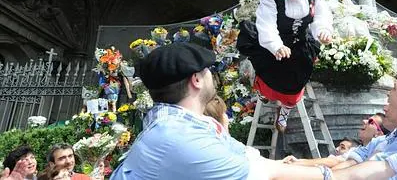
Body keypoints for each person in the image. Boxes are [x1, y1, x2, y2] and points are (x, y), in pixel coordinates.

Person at [110, 42, 335, 180]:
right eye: (207, 69)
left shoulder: (185, 126)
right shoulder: (177, 136)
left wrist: (332, 163)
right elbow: (264, 174)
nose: (211, 75)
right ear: (196, 80)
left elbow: (255, 160)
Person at [237, 0, 333, 132]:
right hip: (275, 45)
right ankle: (261, 86)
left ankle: (285, 111)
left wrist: (323, 31)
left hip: (300, 44)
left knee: (296, 81)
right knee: (269, 73)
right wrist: (276, 45)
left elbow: (320, 15)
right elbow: (266, 25)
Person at [334, 75, 397, 169]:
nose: (388, 93)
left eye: (394, 89)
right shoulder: (395, 134)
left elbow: (372, 169)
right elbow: (355, 160)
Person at [283, 114, 386, 168]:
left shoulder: (382, 155)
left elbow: (334, 163)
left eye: (371, 122)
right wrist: (299, 162)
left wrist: (299, 163)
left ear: (379, 134)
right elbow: (335, 161)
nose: (364, 121)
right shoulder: (357, 150)